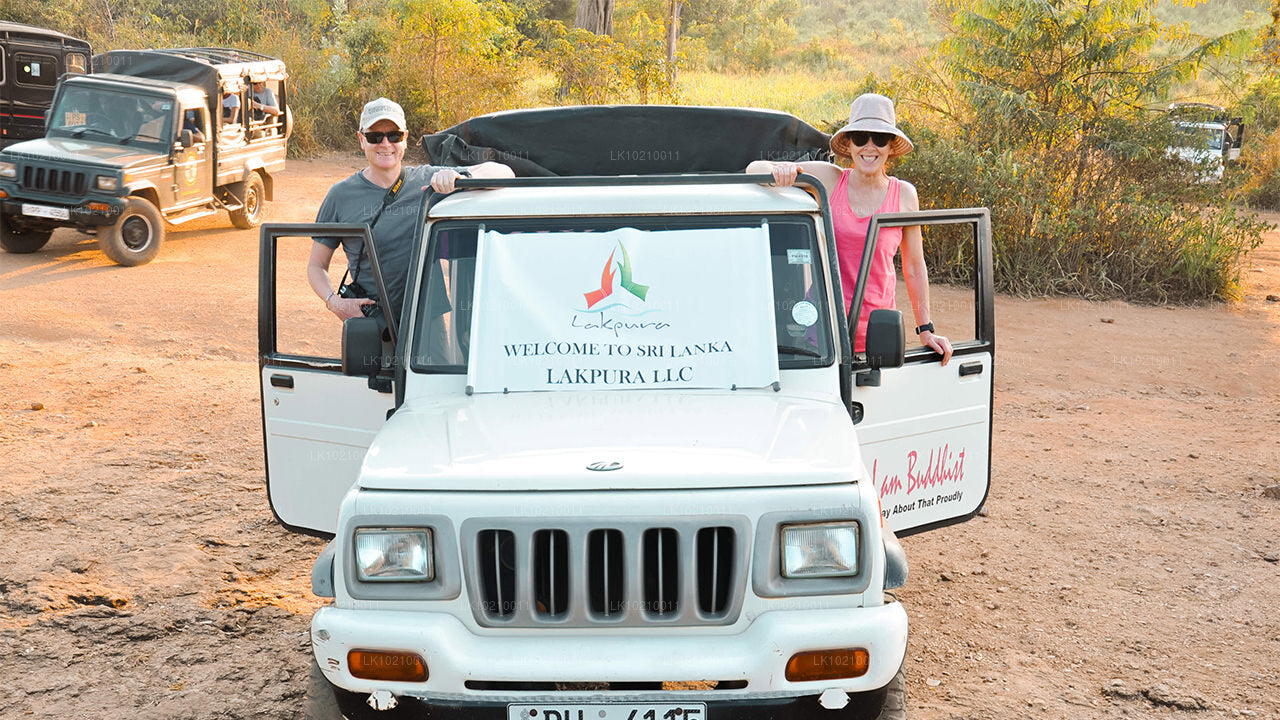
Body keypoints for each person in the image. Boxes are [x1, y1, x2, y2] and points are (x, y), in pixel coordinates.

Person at [746, 92, 952, 365]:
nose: (869, 147)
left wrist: (926, 329)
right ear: (850, 145)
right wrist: (779, 170)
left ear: (890, 146)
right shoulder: (829, 180)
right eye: (860, 137)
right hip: (823, 332)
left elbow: (914, 266)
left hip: (876, 334)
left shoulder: (904, 195)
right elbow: (753, 169)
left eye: (879, 139)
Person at [308, 97, 515, 323]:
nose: (386, 144)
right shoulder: (340, 195)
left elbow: (504, 172)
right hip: (371, 319)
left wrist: (462, 178)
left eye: (394, 136)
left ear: (405, 139)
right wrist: (334, 302)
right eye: (375, 136)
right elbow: (317, 266)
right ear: (361, 140)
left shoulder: (428, 179)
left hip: (426, 323)